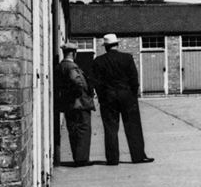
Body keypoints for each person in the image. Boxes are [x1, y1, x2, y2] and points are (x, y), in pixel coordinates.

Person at [89, 33, 154, 165]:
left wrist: (102, 97)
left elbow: (96, 82)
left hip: (108, 98)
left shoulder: (98, 61)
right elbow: (134, 80)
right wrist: (132, 95)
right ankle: (138, 156)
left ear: (106, 47)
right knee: (133, 126)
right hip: (127, 96)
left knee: (110, 128)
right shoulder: (127, 58)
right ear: (117, 44)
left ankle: (112, 159)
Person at [58, 41, 95, 166]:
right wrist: (83, 92)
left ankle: (77, 157)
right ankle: (82, 159)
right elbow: (78, 82)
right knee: (83, 130)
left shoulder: (61, 66)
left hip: (69, 105)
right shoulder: (72, 67)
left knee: (73, 131)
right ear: (74, 53)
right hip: (79, 103)